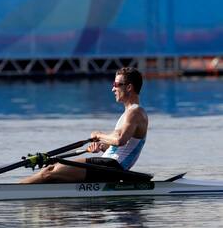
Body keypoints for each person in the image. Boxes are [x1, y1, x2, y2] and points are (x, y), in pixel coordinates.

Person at [20, 67, 148, 183]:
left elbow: (120, 140)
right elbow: (122, 145)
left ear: (129, 87)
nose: (113, 88)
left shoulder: (135, 112)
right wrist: (102, 146)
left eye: (116, 84)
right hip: (108, 164)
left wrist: (99, 134)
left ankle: (11, 191)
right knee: (51, 171)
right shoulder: (129, 113)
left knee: (50, 171)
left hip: (112, 166)